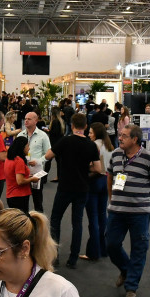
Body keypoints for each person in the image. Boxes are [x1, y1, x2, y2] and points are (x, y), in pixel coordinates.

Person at [105, 125, 150, 297]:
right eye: (120, 135)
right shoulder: (115, 155)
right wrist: (111, 197)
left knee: (139, 248)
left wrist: (142, 195)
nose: (120, 138)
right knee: (111, 244)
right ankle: (126, 269)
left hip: (139, 212)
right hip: (117, 210)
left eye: (124, 136)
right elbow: (109, 175)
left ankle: (131, 286)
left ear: (135, 140)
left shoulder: (149, 158)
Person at [45, 113, 100, 269]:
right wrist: (85, 168)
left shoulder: (66, 141)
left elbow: (48, 155)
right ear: (86, 126)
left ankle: (54, 256)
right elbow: (98, 168)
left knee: (56, 219)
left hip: (65, 187)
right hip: (82, 188)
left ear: (72, 125)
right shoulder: (91, 145)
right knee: (77, 223)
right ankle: (73, 258)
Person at [80, 122, 111, 262]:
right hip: (106, 181)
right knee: (102, 215)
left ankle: (93, 252)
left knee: (93, 218)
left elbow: (93, 166)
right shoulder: (110, 145)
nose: (88, 134)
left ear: (96, 133)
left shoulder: (94, 146)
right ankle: (103, 248)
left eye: (91, 132)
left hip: (94, 182)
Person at [18, 112, 51, 212]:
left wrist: (39, 161)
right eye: (25, 118)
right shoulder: (20, 135)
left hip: (37, 173)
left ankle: (39, 224)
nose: (26, 121)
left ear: (36, 121)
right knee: (23, 201)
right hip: (23, 173)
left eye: (29, 119)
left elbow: (49, 152)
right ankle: (24, 224)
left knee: (37, 201)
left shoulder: (42, 135)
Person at [4, 137, 39, 213]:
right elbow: (20, 181)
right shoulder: (19, 161)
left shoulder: (8, 159)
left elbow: (13, 175)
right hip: (19, 195)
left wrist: (27, 176)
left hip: (10, 194)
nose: (29, 148)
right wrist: (32, 179)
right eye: (27, 146)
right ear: (22, 147)